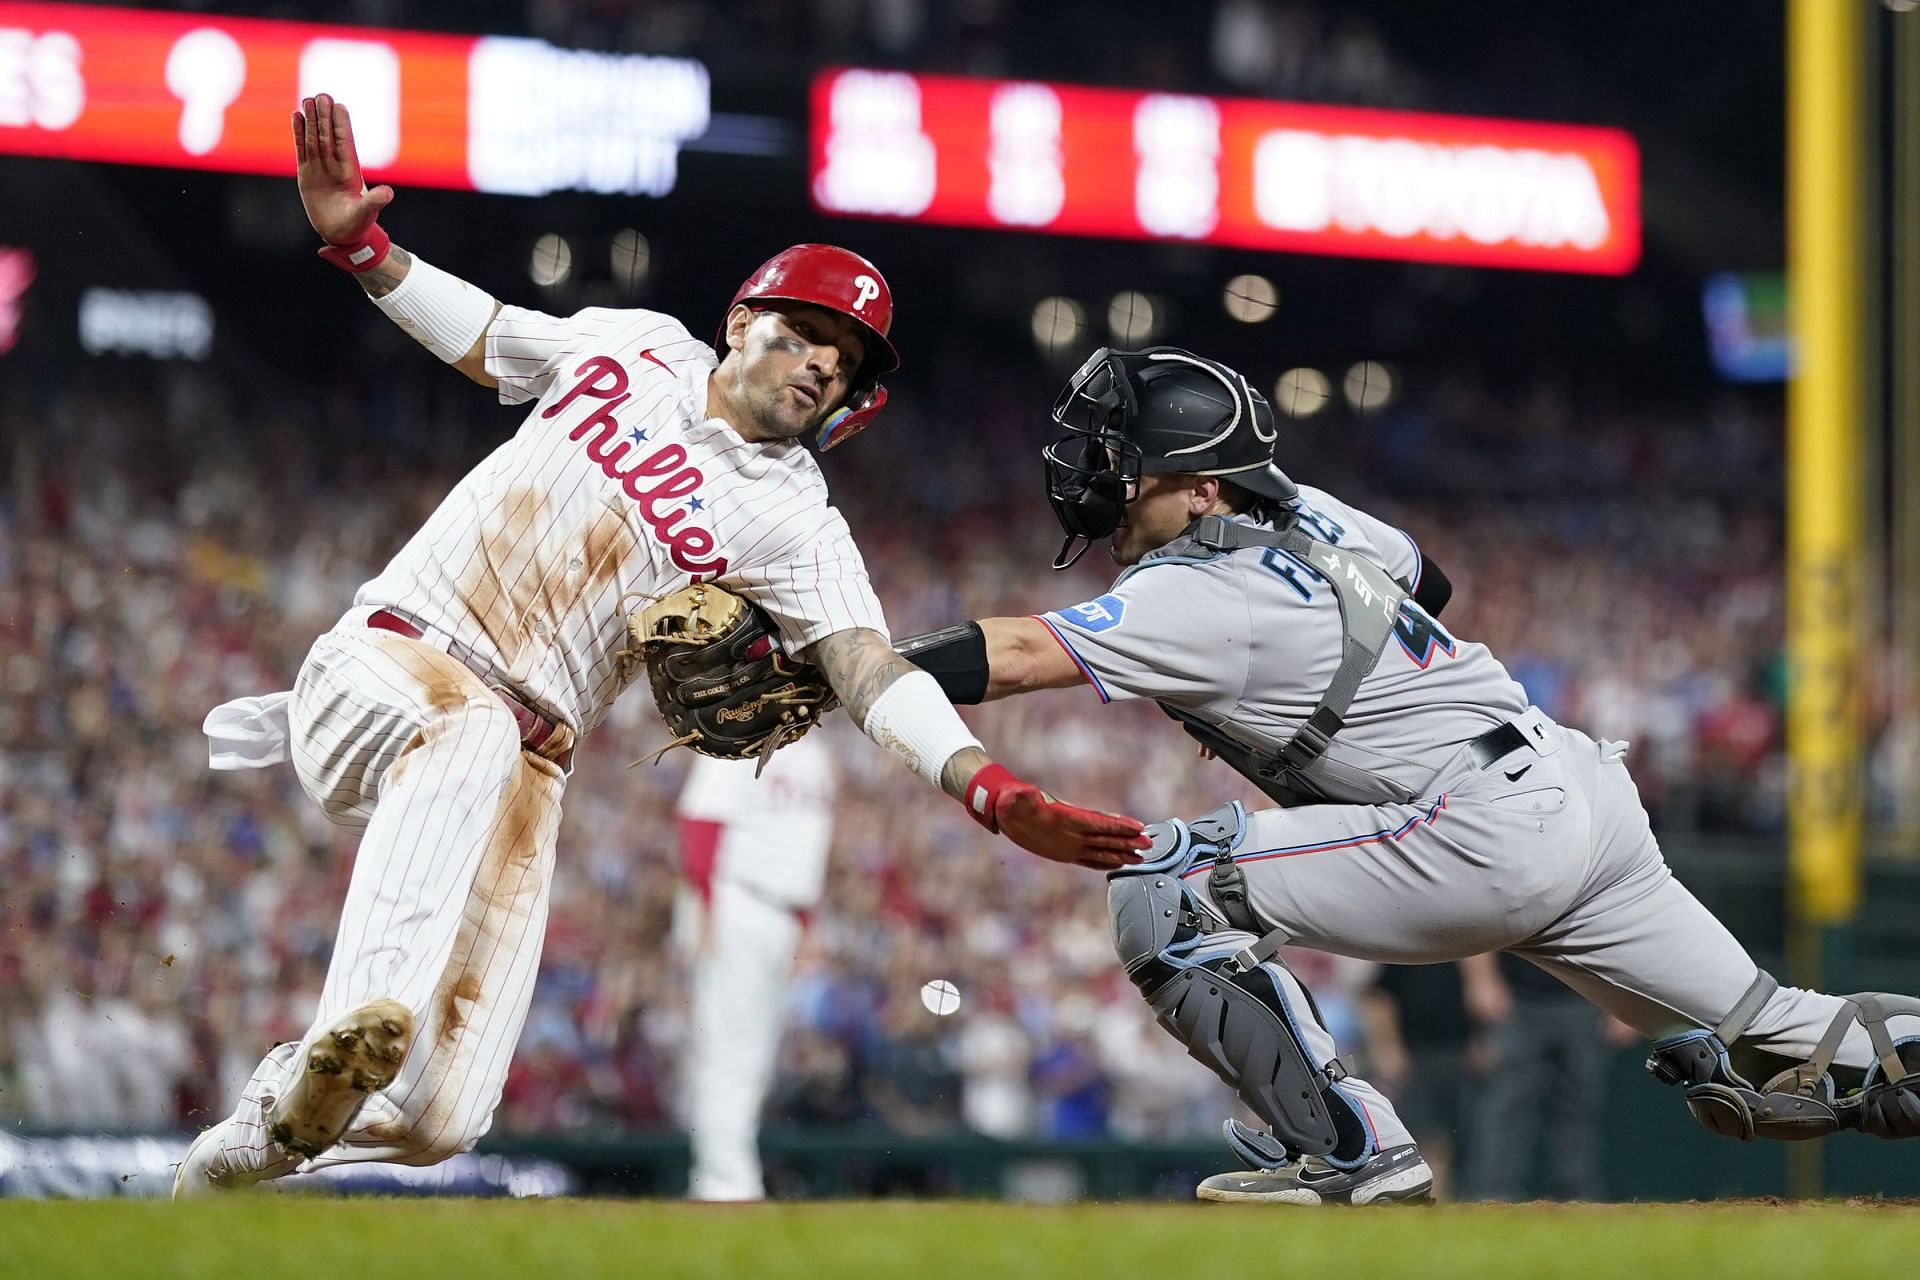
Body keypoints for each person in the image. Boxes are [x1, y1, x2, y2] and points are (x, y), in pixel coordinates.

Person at [173, 94, 1146, 1196]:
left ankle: (248, 1145)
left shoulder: (795, 519)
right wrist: (364, 246)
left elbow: (868, 669)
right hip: (393, 661)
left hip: (525, 761)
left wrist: (991, 789)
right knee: (467, 730)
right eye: (807, 332)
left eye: (846, 359)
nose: (824, 361)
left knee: (445, 1113)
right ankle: (346, 1027)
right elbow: (489, 334)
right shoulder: (632, 346)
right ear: (742, 323)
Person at [899, 344, 1920, 1205]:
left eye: (1128, 464)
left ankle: (1351, 1148)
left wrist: (849, 663)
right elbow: (1428, 579)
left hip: (1479, 831)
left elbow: (1017, 656)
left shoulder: (1196, 589)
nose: (1099, 479)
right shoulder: (1316, 512)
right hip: (1577, 794)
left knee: (1161, 884)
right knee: (1794, 1032)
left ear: (1204, 487)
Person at [673, 735, 836, 1202]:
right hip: (734, 897)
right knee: (727, 1053)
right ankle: (723, 1184)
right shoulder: (739, 737)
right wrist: (703, 905)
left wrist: (806, 924)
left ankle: (731, 1178)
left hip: (783, 910)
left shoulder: (817, 756)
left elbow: (805, 846)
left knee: (755, 1059)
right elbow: (702, 819)